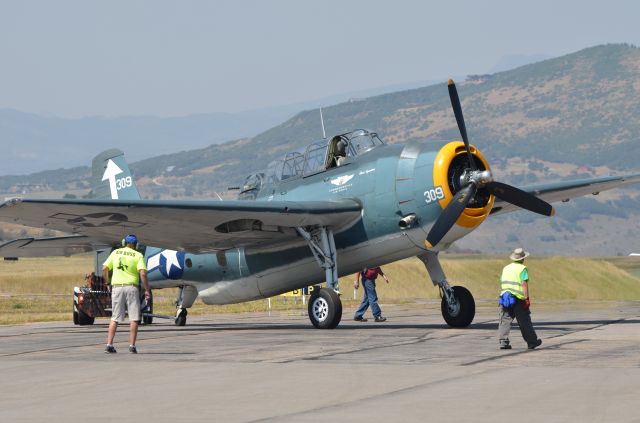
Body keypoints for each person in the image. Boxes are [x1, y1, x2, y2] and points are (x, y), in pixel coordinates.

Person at [102, 234, 150, 354]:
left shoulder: (116, 252)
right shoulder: (138, 255)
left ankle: (109, 345)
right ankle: (132, 346)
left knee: (115, 317)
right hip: (132, 287)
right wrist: (147, 289)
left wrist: (107, 281)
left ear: (124, 243)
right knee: (134, 317)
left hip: (117, 287)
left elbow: (104, 268)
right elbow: (143, 274)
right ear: (136, 245)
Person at [497, 247, 542, 350]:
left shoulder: (506, 268)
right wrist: (526, 299)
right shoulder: (522, 269)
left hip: (505, 297)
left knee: (505, 320)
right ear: (522, 259)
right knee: (524, 321)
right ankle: (532, 342)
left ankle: (503, 342)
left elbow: (502, 281)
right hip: (518, 299)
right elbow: (524, 284)